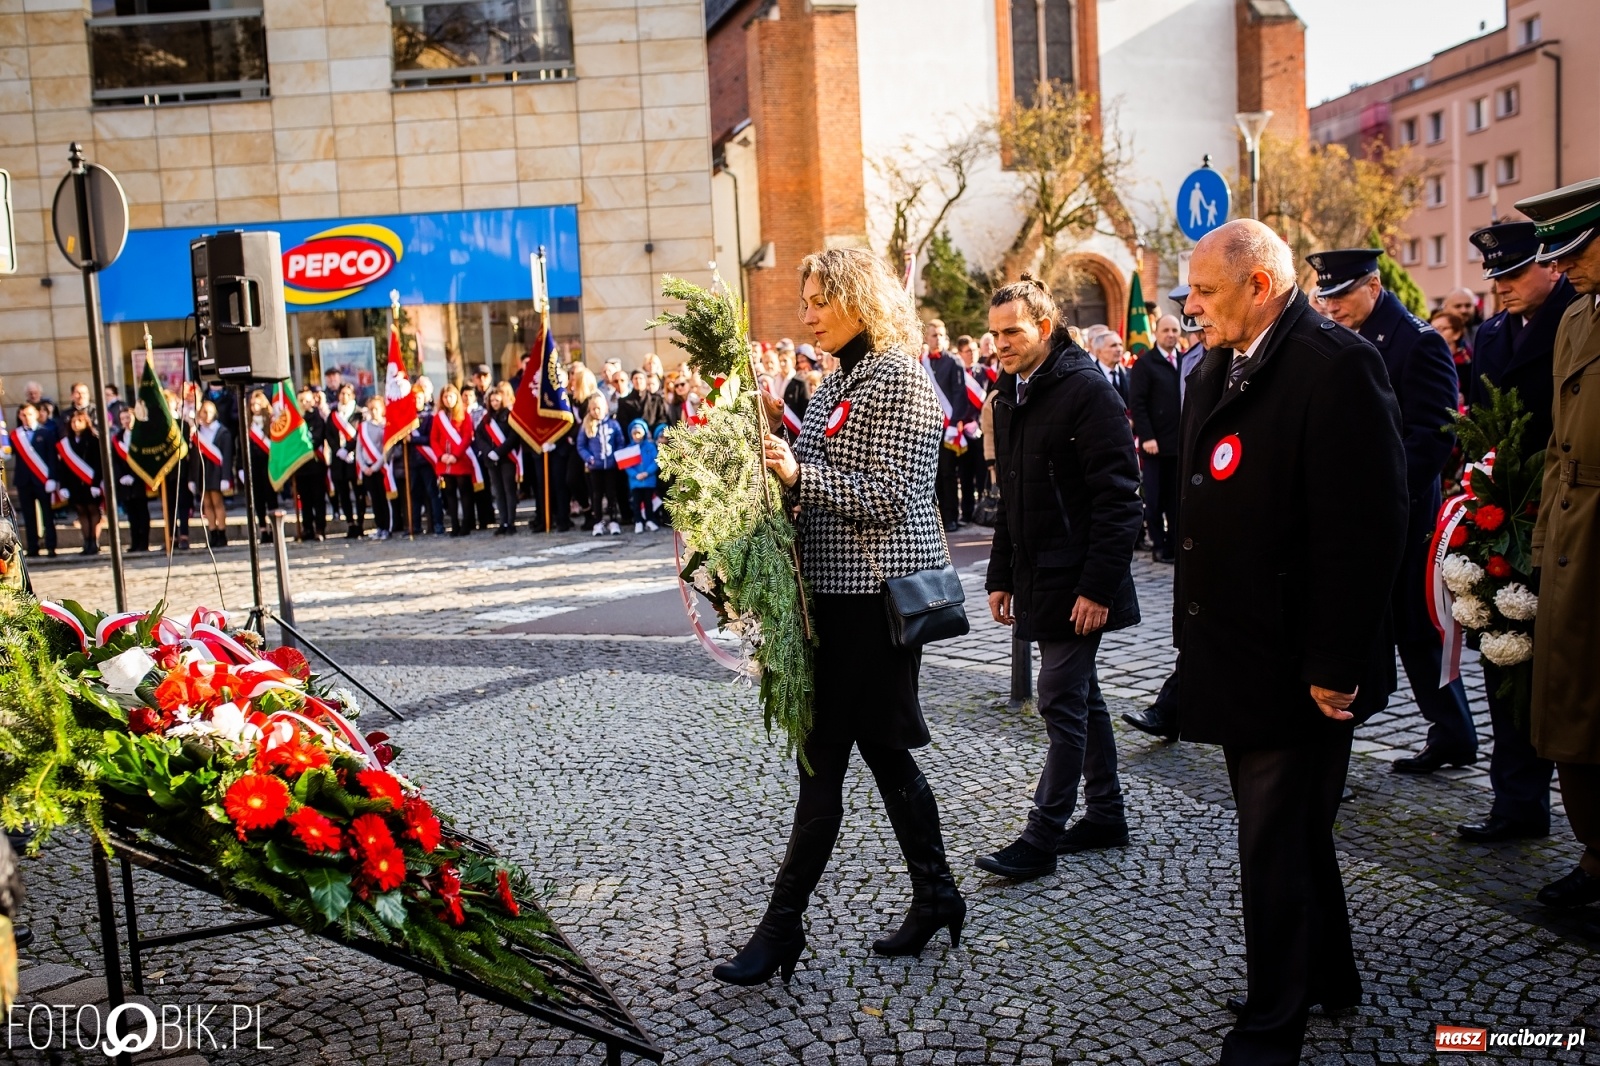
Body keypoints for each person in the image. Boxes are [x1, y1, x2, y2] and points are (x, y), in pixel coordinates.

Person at [1180, 220, 1408, 1063]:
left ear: (1260, 286)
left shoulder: (1334, 364)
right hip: (1239, 646)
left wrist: (1337, 663)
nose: (1191, 305)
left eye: (1206, 290)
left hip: (1301, 659)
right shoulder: (1220, 359)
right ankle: (1329, 975)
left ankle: (1273, 1023)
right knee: (1293, 829)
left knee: (1272, 841)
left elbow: (1368, 529)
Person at [717, 246, 960, 987]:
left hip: (875, 603)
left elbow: (892, 496)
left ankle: (781, 927)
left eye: (821, 299)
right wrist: (775, 463)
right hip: (830, 598)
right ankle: (937, 895)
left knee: (824, 760)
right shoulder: (835, 381)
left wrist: (801, 471)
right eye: (806, 299)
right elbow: (819, 482)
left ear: (860, 298)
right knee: (884, 754)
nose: (808, 313)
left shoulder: (901, 378)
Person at [977, 276, 1142, 881]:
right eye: (994, 334)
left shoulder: (1086, 390)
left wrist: (1097, 589)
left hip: (1079, 581)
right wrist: (1000, 574)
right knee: (1081, 697)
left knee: (1058, 699)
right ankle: (1106, 814)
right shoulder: (1011, 391)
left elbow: (1120, 500)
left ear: (1044, 327)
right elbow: (1013, 496)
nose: (1000, 344)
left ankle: (1041, 837)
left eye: (1012, 332)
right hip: (1038, 574)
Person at [1312, 249, 1476, 775]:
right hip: (1356, 508)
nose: (1333, 305)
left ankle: (1452, 732)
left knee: (1415, 625)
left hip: (1404, 511)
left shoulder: (1417, 341)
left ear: (1374, 285)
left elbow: (1433, 435)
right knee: (1367, 622)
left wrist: (1383, 493)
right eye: (1327, 296)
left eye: (1342, 294)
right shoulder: (1342, 335)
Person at [1456, 220, 1573, 844]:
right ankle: (1517, 802)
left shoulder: (1576, 318)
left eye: (1513, 273)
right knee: (1503, 652)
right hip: (1501, 512)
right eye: (1494, 276)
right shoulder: (1493, 332)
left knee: (1558, 666)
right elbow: (1481, 422)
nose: (1500, 287)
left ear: (1551, 264)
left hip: (1558, 508)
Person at [1518, 177, 1600, 909]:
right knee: (1569, 705)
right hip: (1575, 533)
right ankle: (1595, 854)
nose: (1561, 266)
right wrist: (1544, 541)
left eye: (1577, 250)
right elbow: (1555, 443)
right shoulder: (1577, 315)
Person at [1123, 287, 1210, 742]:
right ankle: (1173, 710)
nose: (1190, 323)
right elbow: (1141, 404)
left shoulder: (1196, 360)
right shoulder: (1189, 361)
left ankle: (1175, 710)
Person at [1129, 314, 1184, 564]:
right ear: (1156, 333)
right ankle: (1159, 545)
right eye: (1166, 330)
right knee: (1154, 500)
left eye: (1174, 330)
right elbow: (1138, 404)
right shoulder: (1145, 363)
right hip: (1155, 445)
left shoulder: (1184, 360)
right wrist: (1147, 436)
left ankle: (1173, 545)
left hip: (1178, 443)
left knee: (1175, 499)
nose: (1171, 334)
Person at [921, 319, 973, 532]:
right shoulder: (921, 362)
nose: (938, 339)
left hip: (947, 427)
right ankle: (936, 518)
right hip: (926, 429)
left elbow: (960, 394)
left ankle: (951, 516)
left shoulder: (953, 361)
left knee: (948, 473)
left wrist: (953, 423)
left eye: (941, 335)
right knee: (931, 475)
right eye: (934, 335)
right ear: (927, 338)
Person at [11, 403, 59, 558]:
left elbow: (52, 457)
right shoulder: (15, 435)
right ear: (19, 416)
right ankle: (33, 547)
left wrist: (53, 478)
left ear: (37, 414)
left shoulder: (46, 433)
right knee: (28, 516)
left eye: (30, 414)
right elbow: (9, 451)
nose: (26, 418)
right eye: (23, 415)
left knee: (47, 515)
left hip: (43, 480)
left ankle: (51, 546)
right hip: (24, 481)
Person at [430, 383, 475, 537]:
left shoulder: (464, 415)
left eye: (451, 396)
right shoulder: (438, 418)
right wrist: (441, 455)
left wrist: (455, 455)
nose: (448, 399)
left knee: (465, 493)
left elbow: (467, 437)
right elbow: (434, 439)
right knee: (449, 494)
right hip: (445, 462)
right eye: (445, 397)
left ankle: (466, 524)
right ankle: (454, 525)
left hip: (460, 461)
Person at [576, 394, 624, 536]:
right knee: (596, 495)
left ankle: (613, 520)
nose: (596, 411)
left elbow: (620, 442)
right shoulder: (587, 425)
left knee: (611, 494)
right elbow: (581, 445)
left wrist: (617, 457)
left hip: (611, 466)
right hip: (595, 467)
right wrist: (589, 458)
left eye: (599, 408)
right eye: (593, 409)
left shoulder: (613, 424)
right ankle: (598, 522)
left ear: (605, 408)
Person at [476, 382, 520, 535]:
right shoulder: (486, 418)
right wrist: (488, 451)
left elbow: (513, 437)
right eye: (492, 400)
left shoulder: (509, 415)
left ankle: (511, 522)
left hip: (507, 458)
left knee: (509, 490)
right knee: (498, 492)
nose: (495, 403)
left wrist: (499, 452)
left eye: (497, 400)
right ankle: (503, 522)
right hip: (491, 460)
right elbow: (479, 436)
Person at [58, 407, 103, 555]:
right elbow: (63, 467)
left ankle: (94, 541)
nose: (76, 424)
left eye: (79, 421)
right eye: (73, 422)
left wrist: (96, 483)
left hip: (91, 483)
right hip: (75, 483)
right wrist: (63, 486)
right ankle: (87, 542)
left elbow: (99, 463)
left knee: (93, 510)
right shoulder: (66, 442)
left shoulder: (94, 439)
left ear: (86, 422)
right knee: (81, 511)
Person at [189, 399, 233, 548]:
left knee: (217, 503)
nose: (207, 415)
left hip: (217, 473)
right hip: (202, 472)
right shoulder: (198, 432)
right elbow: (194, 457)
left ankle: (222, 533)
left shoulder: (222, 432)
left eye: (209, 412)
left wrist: (226, 477)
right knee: (206, 504)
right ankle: (212, 533)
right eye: (204, 412)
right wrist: (191, 478)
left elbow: (227, 456)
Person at [111, 406, 151, 553]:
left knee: (142, 512)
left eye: (128, 417)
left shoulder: (141, 435)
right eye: (123, 419)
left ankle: (144, 543)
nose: (126, 421)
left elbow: (144, 458)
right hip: (124, 481)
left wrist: (134, 476)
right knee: (131, 514)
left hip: (139, 480)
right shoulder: (117, 438)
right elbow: (114, 460)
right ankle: (134, 543)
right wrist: (121, 476)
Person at [294, 387, 330, 542]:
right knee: (304, 500)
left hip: (315, 464)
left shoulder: (317, 418)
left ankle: (320, 528)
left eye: (307, 400)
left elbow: (317, 439)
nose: (304, 403)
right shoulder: (294, 420)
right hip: (300, 466)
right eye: (301, 400)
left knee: (318, 499)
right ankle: (307, 527)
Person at [354, 395, 391, 540]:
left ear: (382, 409)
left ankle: (387, 527)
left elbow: (387, 450)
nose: (373, 411)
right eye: (371, 409)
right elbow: (359, 449)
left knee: (383, 499)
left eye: (376, 408)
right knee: (374, 499)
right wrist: (364, 467)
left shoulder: (386, 426)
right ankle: (379, 526)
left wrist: (375, 467)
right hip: (367, 468)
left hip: (381, 468)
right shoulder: (363, 427)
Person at [328, 383, 362, 537]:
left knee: (358, 492)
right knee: (343, 494)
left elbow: (360, 435)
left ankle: (360, 523)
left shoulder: (359, 414)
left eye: (348, 394)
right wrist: (338, 450)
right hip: (338, 459)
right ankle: (350, 523)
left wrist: (348, 449)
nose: (344, 397)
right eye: (342, 393)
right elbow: (329, 435)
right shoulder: (333, 414)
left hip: (354, 458)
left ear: (353, 396)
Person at [245, 389, 277, 544]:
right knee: (258, 498)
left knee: (270, 496)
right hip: (254, 465)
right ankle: (263, 528)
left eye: (257, 404)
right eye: (252, 404)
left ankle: (274, 528)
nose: (254, 407)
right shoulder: (248, 423)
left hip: (268, 463)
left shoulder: (271, 421)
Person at [623, 418, 659, 533]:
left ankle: (649, 520)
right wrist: (635, 475)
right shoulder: (629, 449)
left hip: (648, 481)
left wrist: (647, 472)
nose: (637, 436)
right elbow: (627, 466)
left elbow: (656, 461)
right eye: (634, 433)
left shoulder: (650, 446)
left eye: (639, 433)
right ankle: (638, 521)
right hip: (636, 482)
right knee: (636, 503)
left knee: (648, 502)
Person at [1089, 331, 1130, 404]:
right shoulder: (1090, 376)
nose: (1119, 349)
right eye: (1113, 345)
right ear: (1099, 351)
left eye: (1120, 345)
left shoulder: (1130, 373)